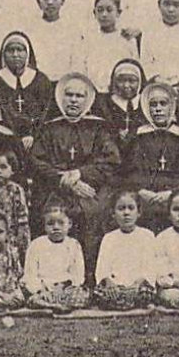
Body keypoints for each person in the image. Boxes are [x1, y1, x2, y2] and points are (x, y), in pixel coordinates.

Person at [29, 72, 120, 273]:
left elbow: (111, 160)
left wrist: (81, 173)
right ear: (61, 97)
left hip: (89, 187)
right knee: (53, 214)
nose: (73, 100)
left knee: (94, 212)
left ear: (87, 100)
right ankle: (51, 275)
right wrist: (64, 179)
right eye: (69, 95)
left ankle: (89, 274)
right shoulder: (50, 128)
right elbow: (37, 161)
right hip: (55, 187)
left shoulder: (98, 128)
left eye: (79, 96)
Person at [122, 79, 179, 230]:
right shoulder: (137, 137)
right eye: (153, 104)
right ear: (146, 107)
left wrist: (171, 193)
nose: (158, 109)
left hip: (173, 196)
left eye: (163, 104)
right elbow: (128, 172)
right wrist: (141, 191)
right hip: (143, 196)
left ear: (171, 106)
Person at [92, 190, 161, 309]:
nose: (126, 213)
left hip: (138, 285)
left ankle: (123, 303)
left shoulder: (147, 235)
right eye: (121, 208)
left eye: (131, 208)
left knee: (145, 293)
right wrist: (109, 282)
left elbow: (150, 266)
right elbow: (102, 267)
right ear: (113, 213)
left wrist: (137, 283)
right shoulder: (109, 238)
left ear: (138, 212)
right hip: (115, 285)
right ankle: (127, 302)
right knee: (100, 293)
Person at [0, 31, 54, 139]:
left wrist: (33, 134)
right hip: (4, 138)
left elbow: (46, 113)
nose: (15, 55)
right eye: (10, 50)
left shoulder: (41, 80)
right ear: (3, 54)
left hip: (37, 137)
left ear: (27, 53)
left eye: (20, 50)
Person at [22, 202, 88, 310]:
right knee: (32, 298)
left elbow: (78, 275)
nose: (56, 227)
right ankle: (53, 305)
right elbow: (30, 274)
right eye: (50, 223)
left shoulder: (74, 245)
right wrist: (41, 290)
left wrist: (64, 287)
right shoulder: (36, 245)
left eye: (61, 223)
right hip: (44, 289)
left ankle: (57, 305)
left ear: (70, 224)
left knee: (82, 295)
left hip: (66, 289)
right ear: (44, 225)